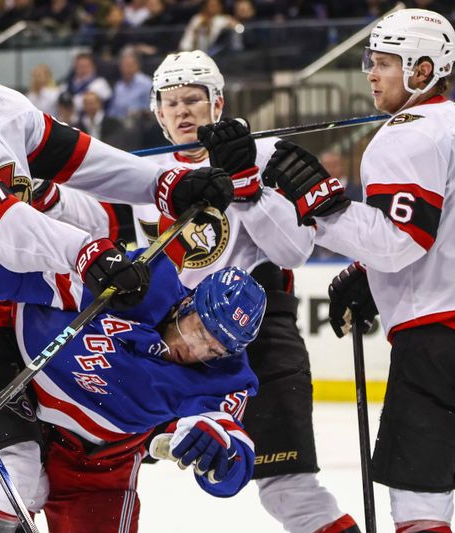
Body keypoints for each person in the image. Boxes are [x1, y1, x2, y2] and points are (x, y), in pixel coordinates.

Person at [0, 9, 233, 533]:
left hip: (19, 310)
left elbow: (82, 159)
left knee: (60, 449)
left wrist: (164, 184)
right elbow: (8, 231)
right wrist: (88, 253)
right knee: (14, 476)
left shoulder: (1, 108)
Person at [37, 49, 360, 533]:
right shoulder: (145, 174)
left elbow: (293, 251)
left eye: (194, 98)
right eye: (171, 102)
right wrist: (43, 194)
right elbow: (95, 220)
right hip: (164, 347)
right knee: (80, 468)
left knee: (288, 492)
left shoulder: (262, 154)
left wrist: (248, 184)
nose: (183, 110)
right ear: (157, 112)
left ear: (219, 103)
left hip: (257, 340)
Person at [263, 9, 455, 533]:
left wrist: (323, 205)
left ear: (422, 72)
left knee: (417, 498)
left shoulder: (407, 132)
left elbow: (401, 243)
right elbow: (446, 231)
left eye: (383, 63)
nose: (370, 74)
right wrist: (370, 272)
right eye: (370, 61)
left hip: (445, 339)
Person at [0, 253, 265, 532]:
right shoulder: (140, 281)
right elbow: (38, 275)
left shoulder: (228, 378)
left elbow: (233, 461)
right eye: (199, 331)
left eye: (215, 349)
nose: (196, 352)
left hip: (96, 467)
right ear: (188, 302)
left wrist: (223, 454)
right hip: (16, 411)